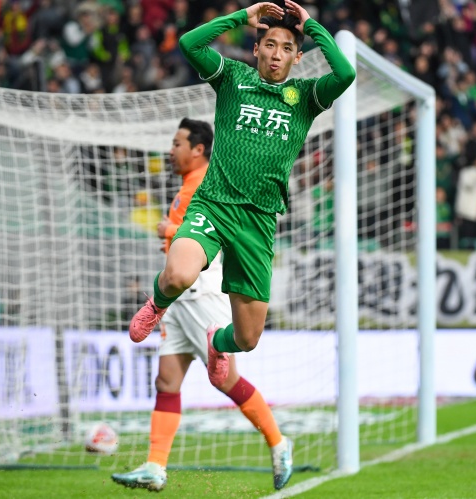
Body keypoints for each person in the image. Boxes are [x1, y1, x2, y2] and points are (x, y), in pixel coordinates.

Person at [128, 1, 354, 390]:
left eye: (287, 47)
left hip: (259, 220)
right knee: (179, 274)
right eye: (270, 44)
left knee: (247, 339)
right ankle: (156, 305)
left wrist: (312, 26)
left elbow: (346, 73)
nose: (277, 54)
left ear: (297, 58)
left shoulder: (306, 97)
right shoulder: (233, 78)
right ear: (256, 48)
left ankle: (217, 343)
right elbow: (189, 44)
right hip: (215, 204)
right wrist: (240, 17)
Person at [112, 119, 292, 492]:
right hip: (179, 300)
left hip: (201, 291)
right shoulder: (188, 183)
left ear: (198, 149)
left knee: (226, 380)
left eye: (177, 143)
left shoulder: (208, 182)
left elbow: (220, 233)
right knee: (166, 380)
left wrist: (169, 231)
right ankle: (155, 466)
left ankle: (279, 444)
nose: (171, 150)